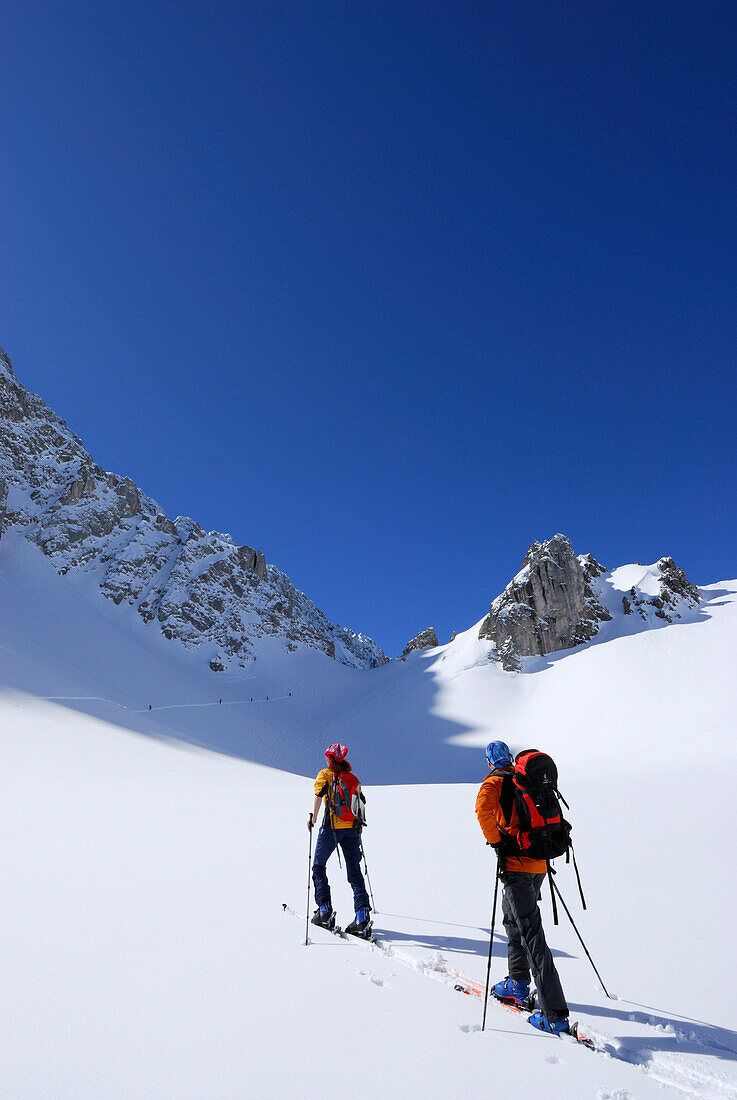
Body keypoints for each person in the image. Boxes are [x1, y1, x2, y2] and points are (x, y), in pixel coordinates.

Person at [475, 740, 569, 1034]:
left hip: (516, 864)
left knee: (531, 933)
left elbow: (482, 811)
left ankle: (554, 1014)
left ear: (490, 762)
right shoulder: (521, 779)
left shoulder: (494, 783)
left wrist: (498, 842)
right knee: (513, 919)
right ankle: (517, 983)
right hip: (538, 863)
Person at [308, 743, 370, 934]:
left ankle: (325, 911)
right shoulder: (352, 778)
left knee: (318, 866)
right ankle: (362, 917)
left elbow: (319, 796)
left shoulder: (324, 774)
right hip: (352, 829)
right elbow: (359, 802)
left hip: (331, 828)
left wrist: (314, 817)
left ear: (329, 758)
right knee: (355, 872)